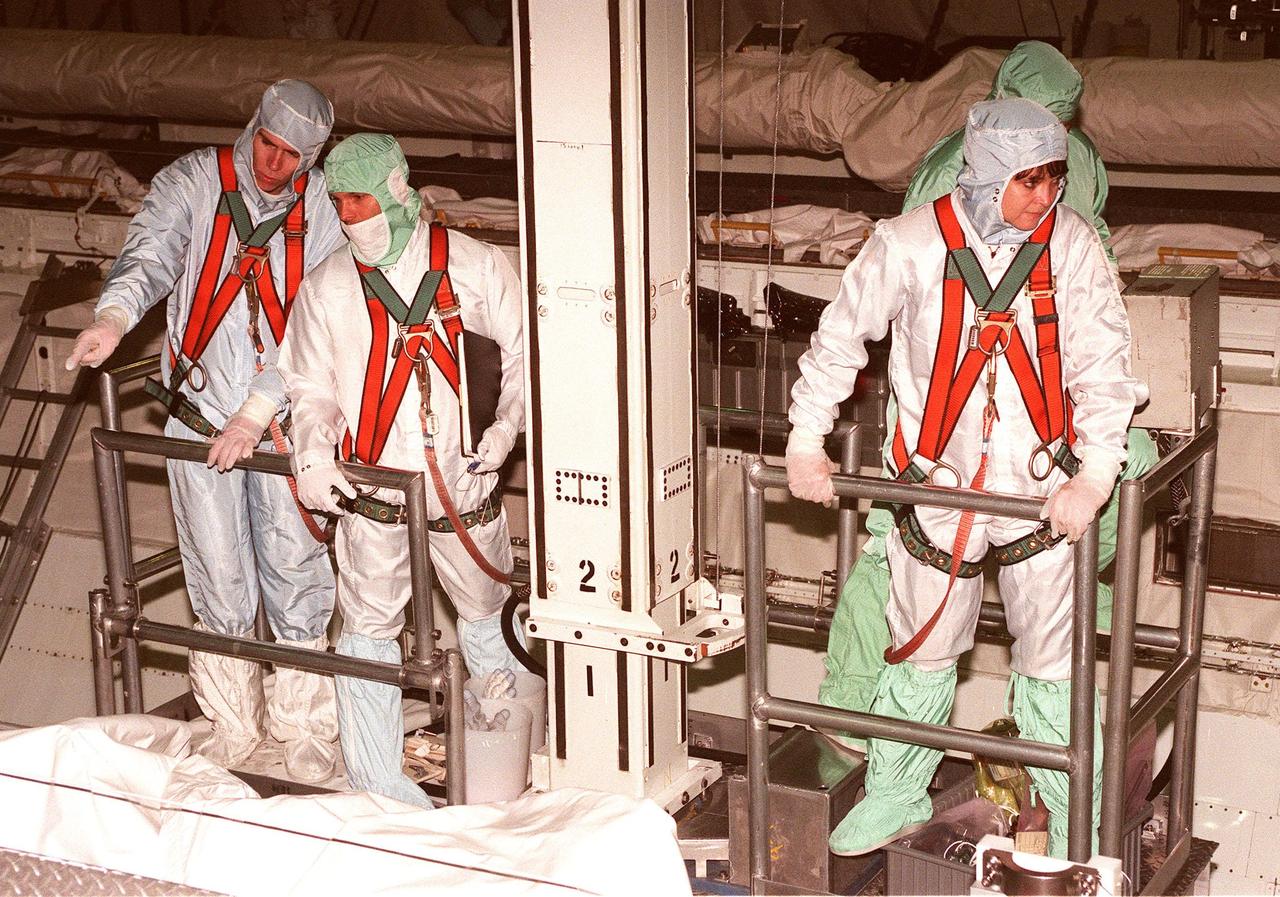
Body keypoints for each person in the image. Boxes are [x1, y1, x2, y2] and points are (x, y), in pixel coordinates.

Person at [786, 98, 1146, 858]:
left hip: (1039, 495)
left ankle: (1073, 817)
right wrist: (807, 438)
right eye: (1029, 179)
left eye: (1054, 177)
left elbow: (1106, 370)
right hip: (936, 490)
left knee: (1053, 672)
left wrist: (1095, 474)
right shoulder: (909, 245)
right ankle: (893, 791)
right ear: (985, 173)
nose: (1046, 195)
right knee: (920, 656)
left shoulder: (1071, 249)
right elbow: (839, 338)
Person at [65, 80, 344, 783]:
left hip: (281, 419)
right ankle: (232, 726)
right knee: (217, 570)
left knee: (294, 571)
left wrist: (259, 407)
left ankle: (305, 727)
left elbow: (323, 317)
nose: (272, 166)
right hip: (198, 413)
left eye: (291, 157)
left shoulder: (321, 210)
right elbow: (149, 255)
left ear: (312, 161)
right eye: (267, 146)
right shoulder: (193, 182)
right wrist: (112, 318)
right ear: (252, 127)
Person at [278, 133, 525, 808]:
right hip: (375, 492)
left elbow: (525, 361)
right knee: (366, 632)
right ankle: (379, 787)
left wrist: (504, 431)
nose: (350, 215)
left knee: (484, 616)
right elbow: (310, 385)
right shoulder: (328, 286)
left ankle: (506, 759)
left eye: (358, 200)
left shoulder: (475, 267)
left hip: (464, 484)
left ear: (394, 190)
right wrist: (313, 456)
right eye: (339, 203)